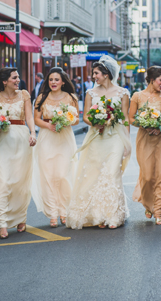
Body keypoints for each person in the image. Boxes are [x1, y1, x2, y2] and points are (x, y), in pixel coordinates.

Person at [66, 57, 131, 229]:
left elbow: (125, 118)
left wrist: (127, 141)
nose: (94, 76)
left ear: (106, 74)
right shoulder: (91, 93)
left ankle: (113, 215)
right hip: (97, 136)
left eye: (96, 73)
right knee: (94, 172)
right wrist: (96, 122)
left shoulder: (123, 93)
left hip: (116, 136)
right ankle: (97, 214)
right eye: (94, 73)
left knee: (111, 172)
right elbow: (85, 115)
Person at [0, 68, 37, 238]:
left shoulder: (24, 94)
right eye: (14, 78)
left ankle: (20, 217)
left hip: (21, 139)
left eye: (18, 77)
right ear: (5, 81)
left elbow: (29, 116)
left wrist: (32, 133)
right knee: (3, 181)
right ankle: (3, 222)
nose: (18, 80)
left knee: (19, 181)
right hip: (2, 140)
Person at [31, 68, 79, 227]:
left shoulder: (71, 97)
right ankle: (53, 213)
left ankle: (64, 210)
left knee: (62, 174)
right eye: (51, 79)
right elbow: (36, 119)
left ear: (63, 81)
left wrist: (66, 121)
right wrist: (49, 125)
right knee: (48, 175)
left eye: (56, 79)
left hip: (65, 137)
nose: (53, 82)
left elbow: (77, 119)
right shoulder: (41, 98)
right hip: (47, 138)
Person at [128, 66, 161, 225]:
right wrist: (144, 124)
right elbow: (131, 118)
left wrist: (159, 125)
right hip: (145, 138)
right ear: (151, 79)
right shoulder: (137, 96)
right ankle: (148, 204)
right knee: (147, 176)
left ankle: (159, 210)